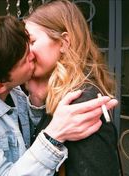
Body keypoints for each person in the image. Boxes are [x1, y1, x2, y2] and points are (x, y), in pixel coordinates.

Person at [0, 15, 118, 176]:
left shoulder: (14, 89)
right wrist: (54, 134)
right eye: (26, 58)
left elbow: (26, 138)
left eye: (31, 43)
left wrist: (36, 99)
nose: (33, 54)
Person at [24, 0, 122, 175]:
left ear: (63, 42)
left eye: (32, 41)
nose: (25, 52)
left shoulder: (80, 102)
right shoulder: (55, 93)